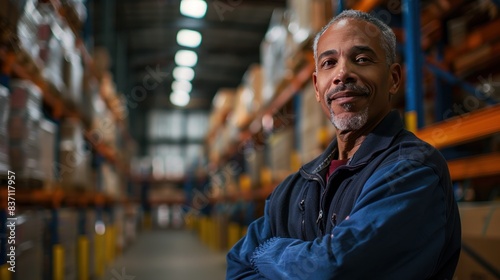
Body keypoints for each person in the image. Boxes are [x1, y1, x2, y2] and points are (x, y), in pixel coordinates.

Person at [226, 9, 461, 280]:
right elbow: (236, 267)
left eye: (361, 59)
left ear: (394, 79)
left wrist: (265, 251)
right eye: (328, 63)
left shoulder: (411, 171)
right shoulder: (293, 188)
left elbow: (333, 269)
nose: (343, 73)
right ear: (317, 87)